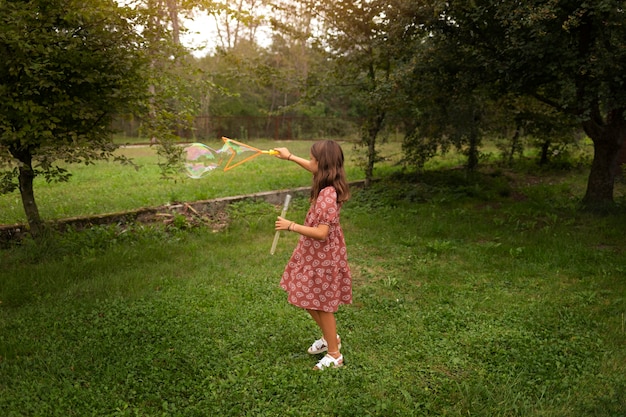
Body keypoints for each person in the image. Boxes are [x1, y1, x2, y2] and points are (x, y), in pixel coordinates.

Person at [273, 141, 352, 370]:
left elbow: (321, 232)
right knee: (307, 297)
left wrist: (291, 226)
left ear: (322, 164)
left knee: (322, 304)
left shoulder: (328, 194)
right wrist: (289, 157)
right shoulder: (328, 180)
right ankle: (330, 338)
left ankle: (335, 354)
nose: (310, 163)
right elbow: (312, 166)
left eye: (312, 159)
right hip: (314, 255)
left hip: (323, 257)